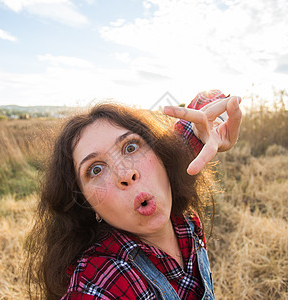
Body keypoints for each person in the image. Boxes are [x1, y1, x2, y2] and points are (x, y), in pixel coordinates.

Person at [26, 90, 242, 299]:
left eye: (130, 148)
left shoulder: (180, 202)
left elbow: (210, 100)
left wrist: (217, 121)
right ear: (87, 203)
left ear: (162, 154)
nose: (126, 174)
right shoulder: (102, 281)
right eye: (96, 169)